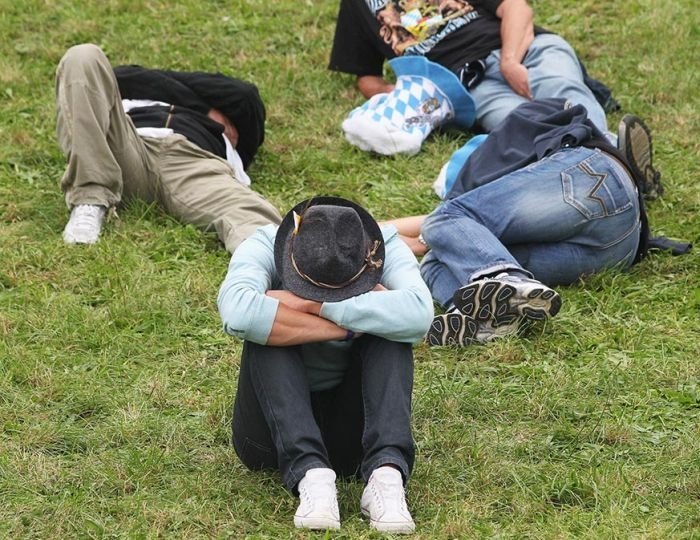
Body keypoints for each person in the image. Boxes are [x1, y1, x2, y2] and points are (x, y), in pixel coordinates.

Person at [217, 196, 433, 532]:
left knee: (393, 334)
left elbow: (419, 315)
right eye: (313, 288)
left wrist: (312, 305)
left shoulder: (385, 244)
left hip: (353, 438)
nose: (325, 295)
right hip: (269, 439)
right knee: (267, 331)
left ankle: (385, 474)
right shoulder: (262, 242)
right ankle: (310, 476)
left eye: (344, 289)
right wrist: (354, 323)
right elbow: (237, 311)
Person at [388, 99, 659, 346]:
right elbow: (443, 235)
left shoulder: (489, 159)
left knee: (445, 221)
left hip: (594, 178)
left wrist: (377, 231)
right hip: (620, 247)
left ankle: (505, 280)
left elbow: (442, 221)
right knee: (437, 262)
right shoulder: (498, 166)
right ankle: (489, 318)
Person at [56, 43, 281, 252]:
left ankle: (284, 276)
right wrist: (203, 107)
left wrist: (162, 87)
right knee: (82, 56)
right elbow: (118, 75)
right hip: (126, 150)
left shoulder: (233, 124)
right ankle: (89, 200)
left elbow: (243, 96)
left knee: (255, 220)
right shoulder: (126, 99)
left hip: (193, 162)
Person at [330, 0, 614, 156]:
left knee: (563, 94)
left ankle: (608, 161)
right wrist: (414, 95)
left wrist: (510, 61)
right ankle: (616, 160)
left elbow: (517, 8)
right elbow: (367, 78)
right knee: (527, 125)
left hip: (524, 49)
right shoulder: (358, 6)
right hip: (469, 86)